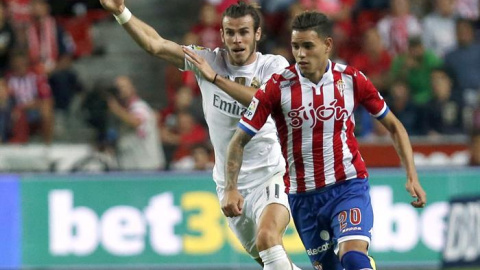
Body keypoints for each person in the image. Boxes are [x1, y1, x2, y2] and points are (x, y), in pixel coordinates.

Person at [99, 1, 300, 269]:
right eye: (230, 33)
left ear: (258, 34)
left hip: (271, 173)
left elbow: (262, 101)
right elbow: (156, 44)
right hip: (229, 183)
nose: (237, 39)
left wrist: (215, 78)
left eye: (244, 32)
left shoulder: (273, 65)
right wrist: (120, 12)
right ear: (222, 34)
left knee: (267, 238)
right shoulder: (207, 60)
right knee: (269, 262)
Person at [225, 11, 427, 270]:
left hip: (347, 186)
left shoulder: (352, 80)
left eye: (308, 46)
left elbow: (394, 126)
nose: (300, 54)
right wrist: (231, 186)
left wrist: (412, 175)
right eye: (295, 46)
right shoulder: (276, 87)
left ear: (327, 45)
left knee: (353, 257)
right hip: (303, 198)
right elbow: (238, 140)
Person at [108, 75, 165, 171]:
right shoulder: (123, 111)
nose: (120, 90)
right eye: (117, 88)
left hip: (148, 168)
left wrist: (115, 108)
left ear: (133, 88)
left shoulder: (140, 106)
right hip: (131, 168)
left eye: (123, 87)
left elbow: (136, 122)